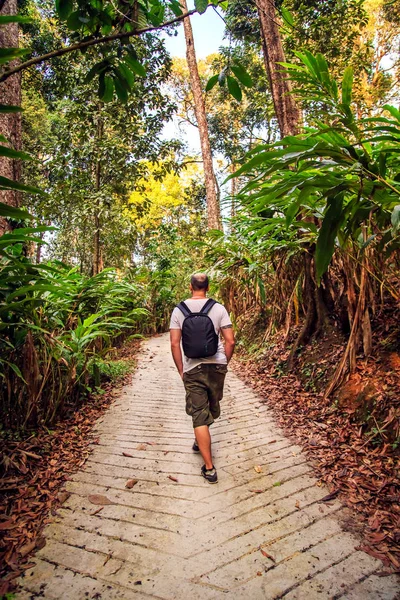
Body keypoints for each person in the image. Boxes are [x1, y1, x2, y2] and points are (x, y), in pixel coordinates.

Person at [169, 273, 235, 483]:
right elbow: (230, 341)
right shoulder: (218, 308)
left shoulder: (179, 310)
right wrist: (224, 362)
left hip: (193, 368)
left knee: (200, 414)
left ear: (190, 286)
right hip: (216, 366)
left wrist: (181, 369)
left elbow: (174, 343)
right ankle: (207, 461)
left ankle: (206, 459)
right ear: (208, 287)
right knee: (210, 409)